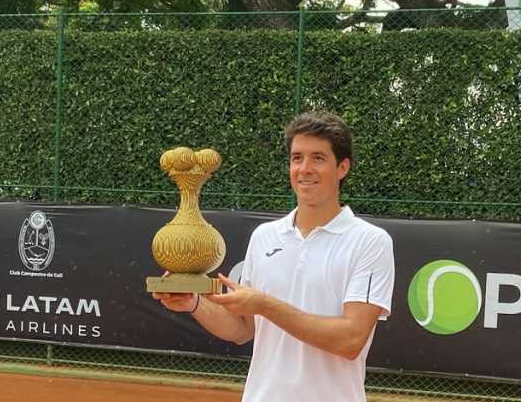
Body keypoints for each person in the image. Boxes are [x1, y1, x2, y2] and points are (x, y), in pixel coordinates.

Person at [153, 111, 395, 401]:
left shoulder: (370, 242)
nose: (304, 169)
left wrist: (265, 305)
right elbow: (242, 329)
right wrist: (194, 302)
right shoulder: (264, 236)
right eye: (297, 158)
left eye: (318, 158)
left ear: (342, 167)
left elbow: (350, 340)